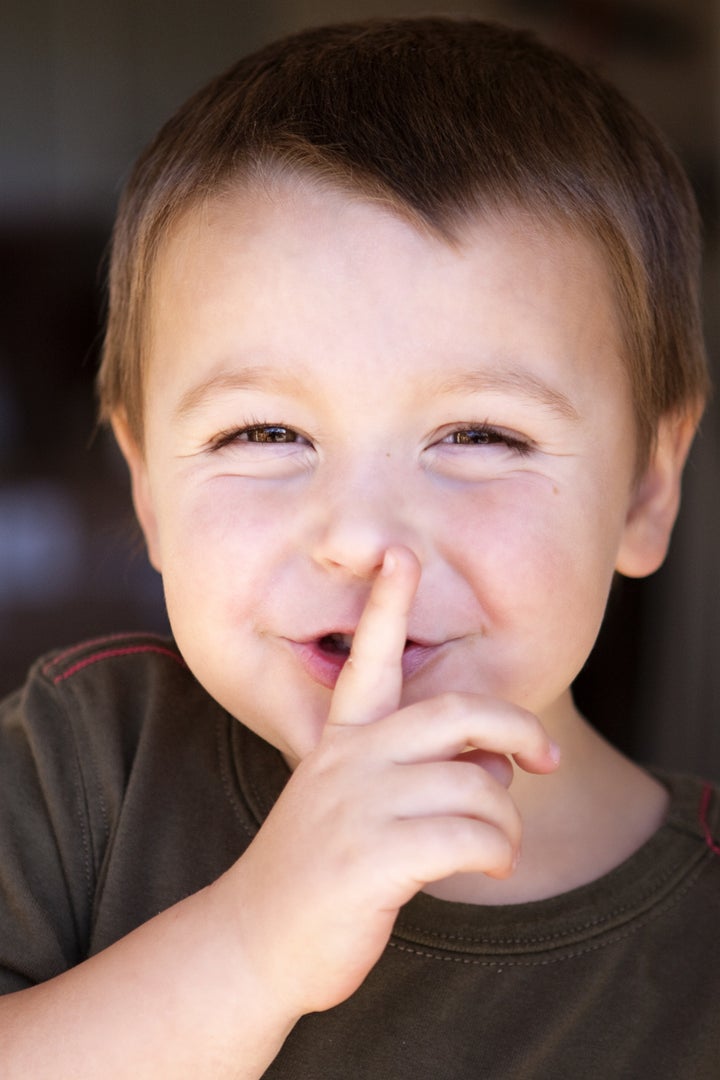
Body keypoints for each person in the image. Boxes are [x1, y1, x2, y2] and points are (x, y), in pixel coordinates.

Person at [0, 16, 717, 1078]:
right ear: (147, 490)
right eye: (265, 433)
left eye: (480, 436)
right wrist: (251, 946)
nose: (358, 539)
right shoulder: (81, 768)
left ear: (645, 492)